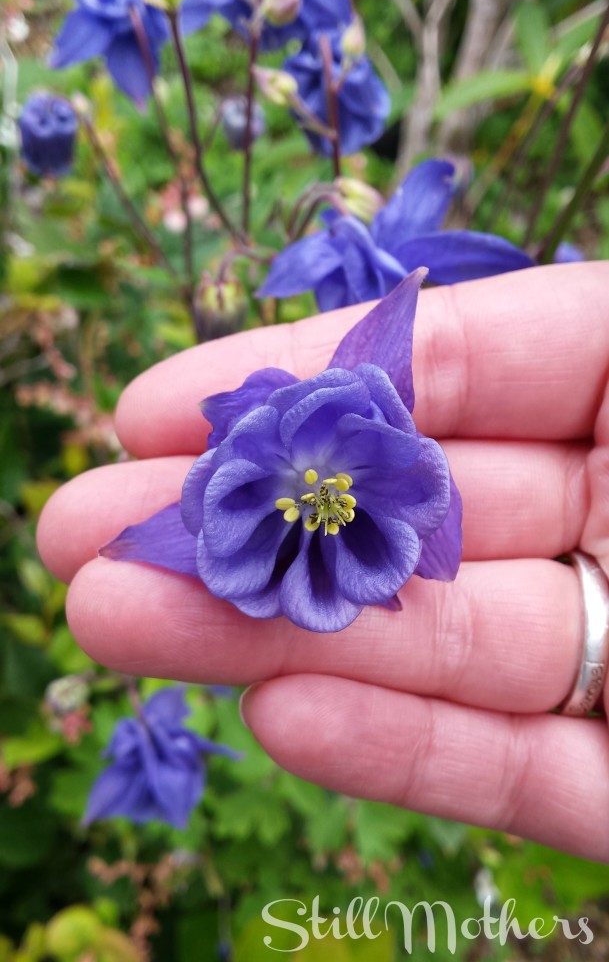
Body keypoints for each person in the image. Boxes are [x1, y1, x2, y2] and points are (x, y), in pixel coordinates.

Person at [37, 261, 609, 862]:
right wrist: (140, 543)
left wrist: (404, 298)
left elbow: (436, 558)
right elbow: (230, 422)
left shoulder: (403, 492)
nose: (324, 501)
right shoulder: (267, 456)